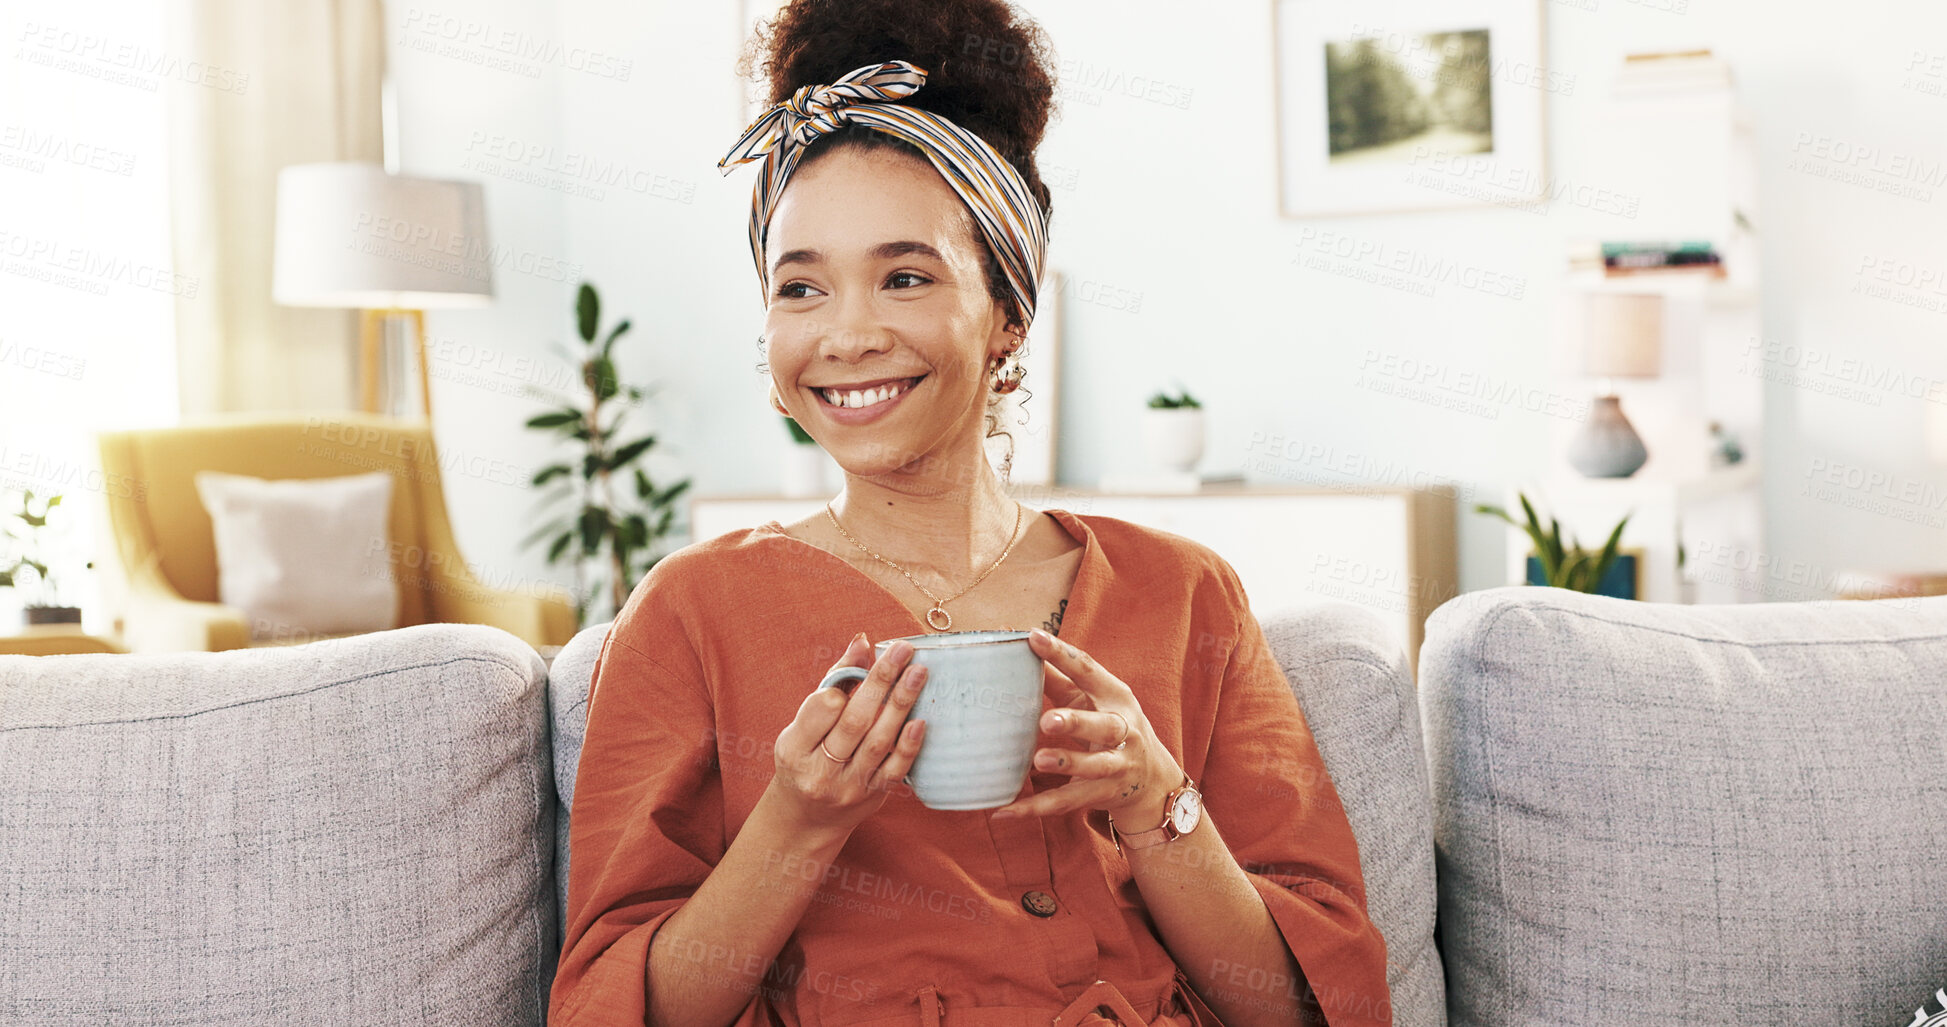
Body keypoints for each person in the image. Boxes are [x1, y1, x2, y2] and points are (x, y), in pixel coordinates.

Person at [548, 2, 1391, 1024]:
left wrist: (1151, 799)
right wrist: (798, 823)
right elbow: (622, 1008)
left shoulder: (1186, 596)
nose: (848, 335)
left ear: (1008, 315)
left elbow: (1302, 1005)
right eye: (800, 289)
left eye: (905, 277)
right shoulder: (691, 611)